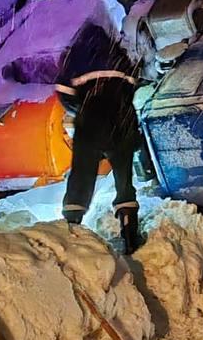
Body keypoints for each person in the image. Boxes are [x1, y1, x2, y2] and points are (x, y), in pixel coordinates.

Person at [55, 22, 143, 254]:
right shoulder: (119, 56)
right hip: (121, 123)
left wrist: (82, 109)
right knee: (124, 180)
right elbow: (134, 85)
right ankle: (130, 233)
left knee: (82, 176)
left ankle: (71, 227)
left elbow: (63, 93)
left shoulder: (76, 59)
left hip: (91, 124)